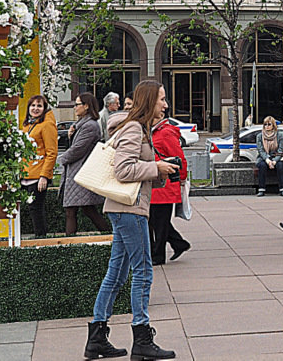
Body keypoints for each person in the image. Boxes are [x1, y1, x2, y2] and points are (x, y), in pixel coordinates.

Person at [86, 79, 178, 361]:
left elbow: (135, 171)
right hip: (129, 209)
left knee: (117, 273)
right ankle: (141, 337)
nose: (165, 104)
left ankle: (97, 338)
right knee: (143, 271)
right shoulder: (134, 129)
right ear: (150, 101)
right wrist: (156, 166)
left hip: (125, 207)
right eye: (161, 99)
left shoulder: (139, 129)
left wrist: (159, 172)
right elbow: (124, 169)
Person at [58, 93, 109, 236]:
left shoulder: (90, 126)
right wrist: (71, 135)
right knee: (85, 209)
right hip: (78, 171)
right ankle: (109, 236)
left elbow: (78, 150)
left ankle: (69, 245)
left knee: (73, 210)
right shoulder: (81, 125)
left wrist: (61, 160)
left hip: (81, 171)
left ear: (86, 106)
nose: (75, 107)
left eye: (77, 104)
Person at [149, 113, 190, 265]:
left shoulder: (165, 132)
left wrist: (182, 179)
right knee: (158, 221)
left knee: (159, 222)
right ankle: (179, 244)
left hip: (165, 186)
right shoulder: (154, 131)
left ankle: (158, 255)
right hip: (158, 184)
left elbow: (179, 157)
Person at [21, 95, 58, 239]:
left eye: (39, 106)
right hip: (25, 174)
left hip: (38, 175)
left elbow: (51, 152)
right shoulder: (28, 125)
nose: (35, 109)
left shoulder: (46, 125)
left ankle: (41, 238)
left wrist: (44, 176)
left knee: (36, 208)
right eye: (33, 105)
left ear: (44, 109)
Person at [256, 116, 283, 196]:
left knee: (280, 165)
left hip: (277, 156)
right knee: (262, 165)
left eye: (269, 124)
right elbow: (261, 150)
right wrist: (267, 160)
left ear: (273, 125)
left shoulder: (279, 135)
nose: (267, 126)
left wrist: (274, 161)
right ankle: (261, 189)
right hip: (264, 157)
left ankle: (282, 189)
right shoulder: (259, 136)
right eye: (265, 124)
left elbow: (280, 150)